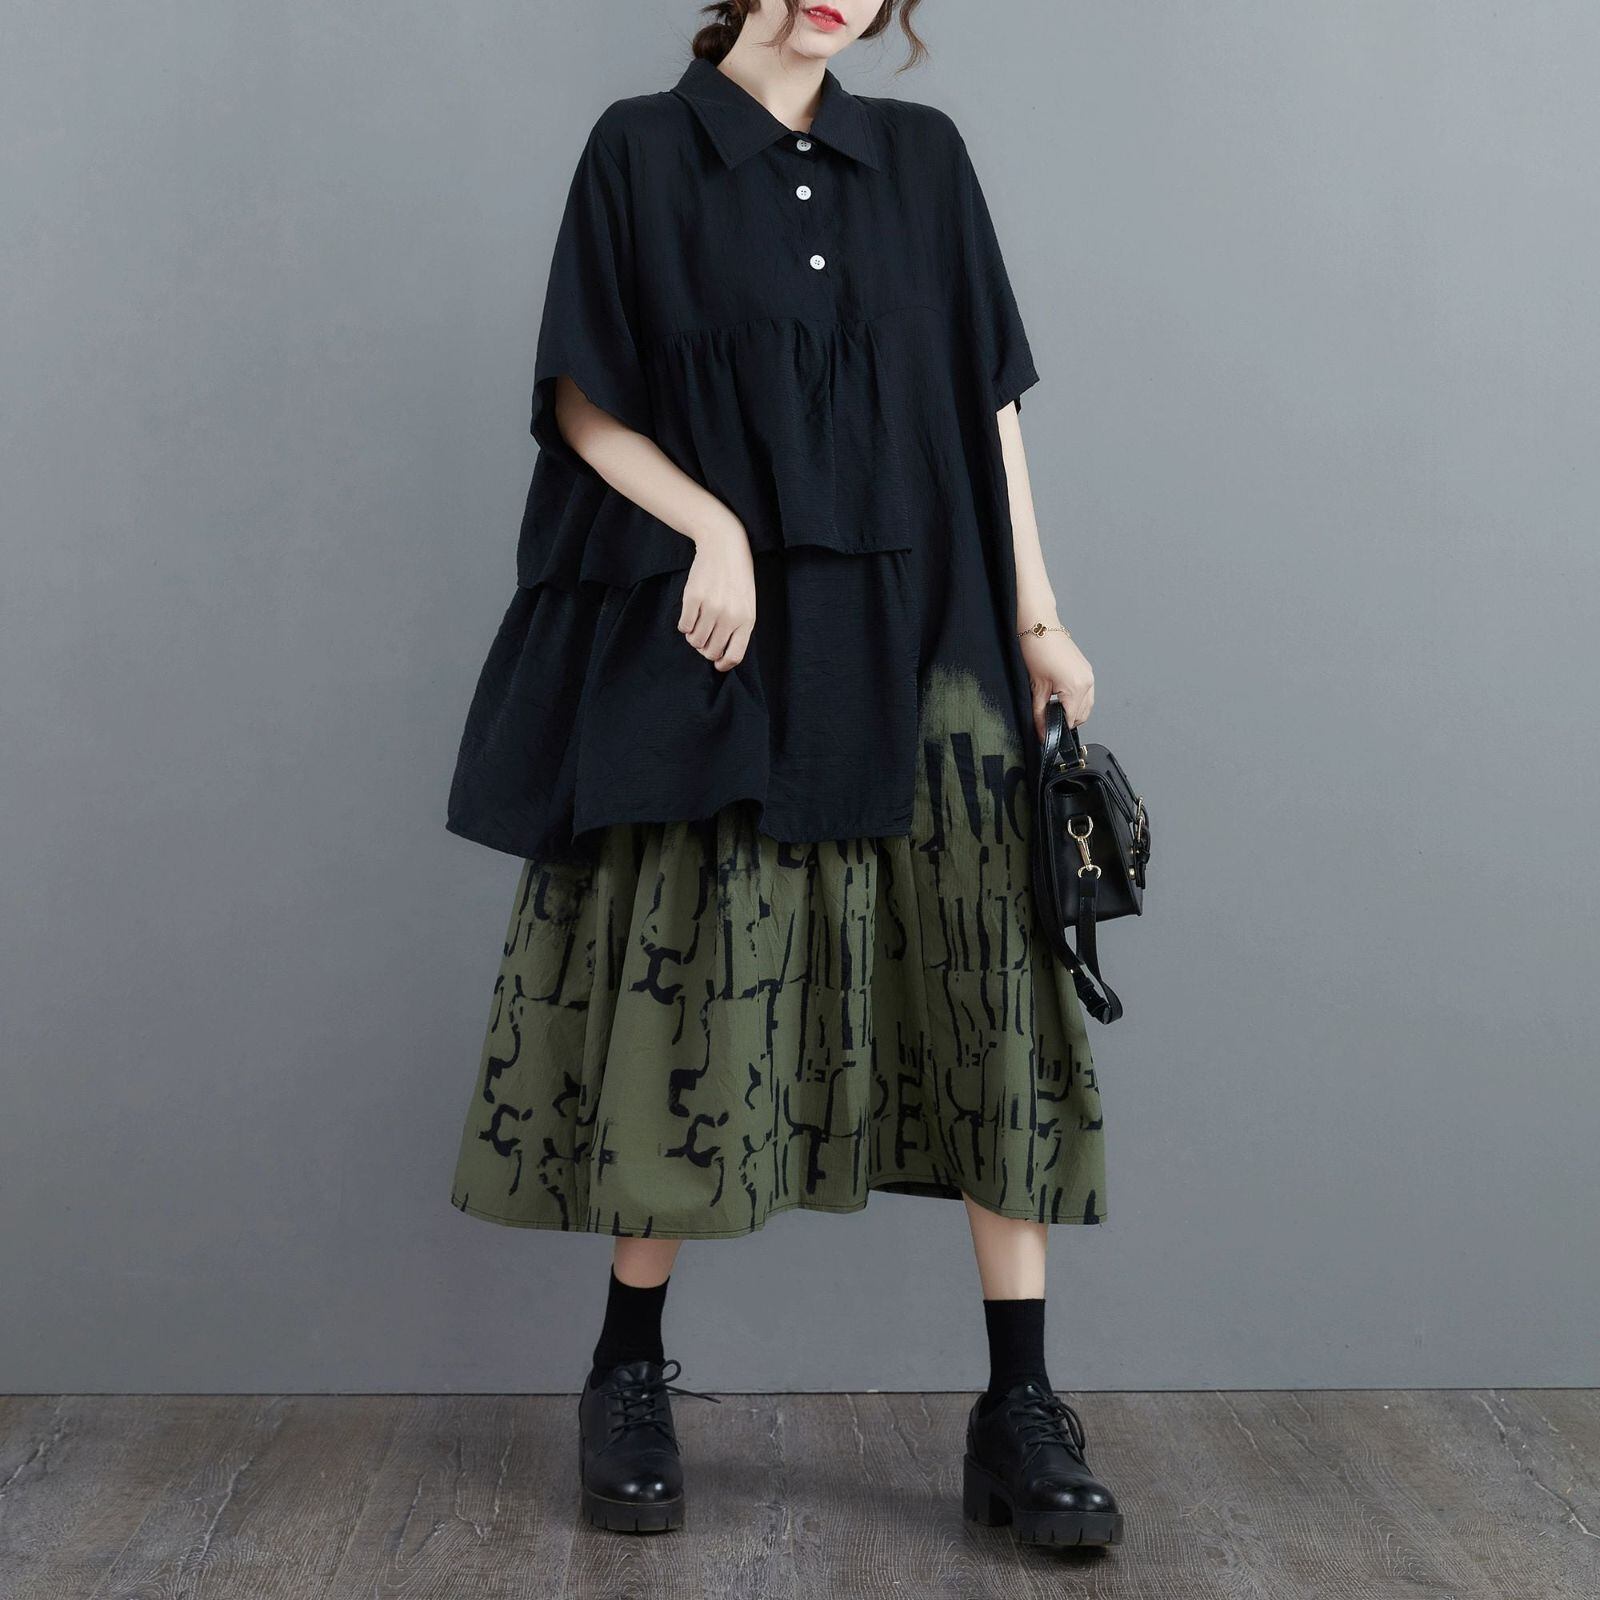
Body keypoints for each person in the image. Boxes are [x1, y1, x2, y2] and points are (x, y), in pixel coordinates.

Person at [444, 0, 1123, 1550]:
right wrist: (713, 528)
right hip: (732, 648)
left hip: (930, 632)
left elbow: (988, 403)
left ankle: (1020, 1406)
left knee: (990, 1002)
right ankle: (626, 1373)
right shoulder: (641, 152)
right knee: (691, 999)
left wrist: (1037, 615)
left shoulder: (924, 159)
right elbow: (583, 393)